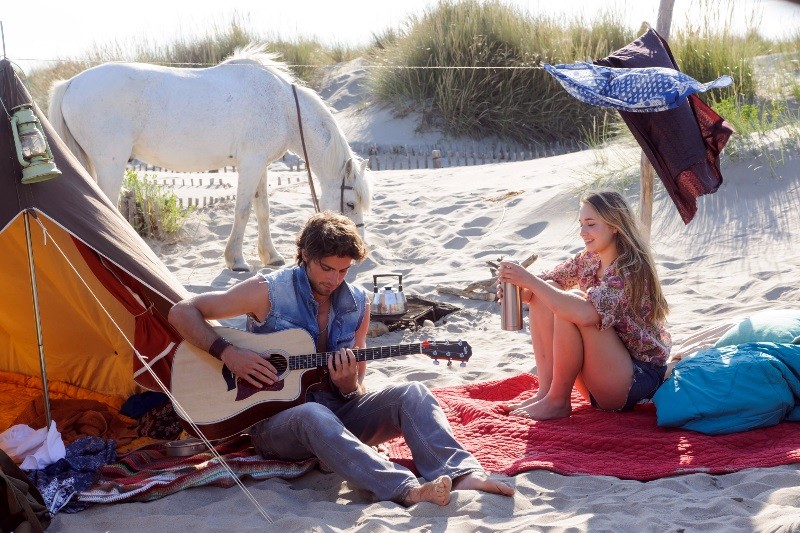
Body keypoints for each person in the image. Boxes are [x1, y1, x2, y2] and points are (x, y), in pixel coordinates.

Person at [169, 211, 514, 506]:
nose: (334, 279)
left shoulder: (358, 304)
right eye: (326, 268)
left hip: (337, 414)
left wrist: (349, 385)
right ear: (305, 254)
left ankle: (460, 473)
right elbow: (182, 311)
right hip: (277, 425)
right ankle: (406, 489)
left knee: (414, 393)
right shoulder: (267, 291)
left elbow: (356, 389)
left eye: (343, 270)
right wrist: (229, 354)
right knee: (312, 414)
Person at [497, 190, 672, 420]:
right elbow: (540, 291)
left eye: (590, 224)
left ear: (615, 225)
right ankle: (546, 393)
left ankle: (558, 401)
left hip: (636, 380)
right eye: (581, 224)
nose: (582, 232)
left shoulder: (630, 269)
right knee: (549, 289)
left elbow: (587, 314)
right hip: (599, 380)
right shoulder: (589, 259)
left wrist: (529, 280)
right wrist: (518, 289)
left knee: (571, 303)